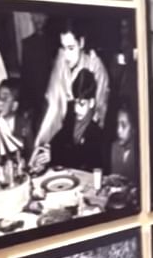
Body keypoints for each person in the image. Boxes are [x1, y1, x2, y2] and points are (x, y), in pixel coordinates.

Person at [32, 19, 109, 165]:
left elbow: (99, 116)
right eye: (63, 47)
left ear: (82, 43)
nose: (66, 55)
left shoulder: (95, 66)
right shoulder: (61, 60)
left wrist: (59, 152)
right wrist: (43, 145)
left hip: (87, 144)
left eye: (71, 48)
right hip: (65, 135)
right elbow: (54, 107)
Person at [45, 68, 104, 172]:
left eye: (81, 104)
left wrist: (54, 154)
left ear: (91, 103)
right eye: (76, 103)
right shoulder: (71, 117)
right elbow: (60, 138)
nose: (76, 109)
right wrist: (48, 148)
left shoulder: (96, 131)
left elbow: (84, 161)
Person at [108, 102, 137, 181]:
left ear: (134, 129)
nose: (118, 130)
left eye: (123, 126)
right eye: (118, 124)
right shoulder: (115, 147)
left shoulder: (141, 152)